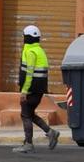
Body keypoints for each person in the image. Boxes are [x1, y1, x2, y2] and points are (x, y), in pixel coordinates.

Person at [13, 25, 60, 154]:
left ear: (27, 37)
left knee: (25, 115)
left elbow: (29, 73)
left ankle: (28, 144)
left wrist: (24, 91)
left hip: (31, 90)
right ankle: (51, 132)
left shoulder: (30, 52)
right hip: (38, 90)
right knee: (30, 114)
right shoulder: (39, 51)